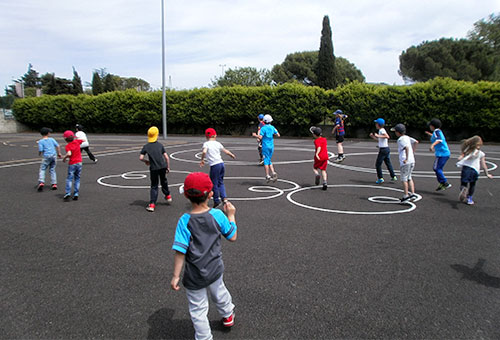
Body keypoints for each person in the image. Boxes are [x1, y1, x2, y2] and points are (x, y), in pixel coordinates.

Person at [171, 172, 237, 340]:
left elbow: (180, 251)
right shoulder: (217, 215)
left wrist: (176, 276)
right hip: (215, 268)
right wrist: (231, 216)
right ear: (211, 194)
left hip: (194, 275)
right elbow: (232, 236)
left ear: (186, 195)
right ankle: (228, 314)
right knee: (219, 292)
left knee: (198, 309)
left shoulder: (184, 221)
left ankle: (204, 337)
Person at [199, 128, 236, 208]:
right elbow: (225, 151)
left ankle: (216, 200)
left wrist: (202, 159)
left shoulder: (206, 144)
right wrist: (231, 154)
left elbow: (204, 151)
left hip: (214, 165)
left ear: (206, 136)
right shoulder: (217, 143)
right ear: (215, 135)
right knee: (220, 182)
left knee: (214, 183)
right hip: (221, 163)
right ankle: (224, 198)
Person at [139, 126, 172, 212]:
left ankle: (152, 204)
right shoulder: (160, 145)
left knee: (154, 185)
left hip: (153, 168)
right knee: (164, 180)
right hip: (162, 166)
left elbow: (141, 157)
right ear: (157, 135)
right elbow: (167, 157)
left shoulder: (146, 146)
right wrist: (168, 167)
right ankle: (168, 195)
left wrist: (146, 161)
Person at [456, 136, 493, 205]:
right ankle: (469, 198)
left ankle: (463, 189)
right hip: (475, 170)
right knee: (472, 184)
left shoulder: (467, 150)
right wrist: (487, 174)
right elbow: (484, 165)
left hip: (466, 169)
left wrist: (461, 156)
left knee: (464, 183)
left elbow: (462, 156)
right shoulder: (481, 153)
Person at [391, 124, 419, 203]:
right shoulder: (407, 137)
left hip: (405, 162)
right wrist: (413, 152)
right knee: (409, 177)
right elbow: (416, 142)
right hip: (412, 160)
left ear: (398, 132)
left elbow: (406, 147)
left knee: (404, 179)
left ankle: (406, 195)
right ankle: (412, 193)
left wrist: (406, 158)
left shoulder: (400, 140)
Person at [425, 118, 452, 191]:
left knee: (436, 168)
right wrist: (430, 134)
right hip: (444, 153)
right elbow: (437, 137)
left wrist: (432, 145)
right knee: (437, 168)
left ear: (432, 126)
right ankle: (442, 182)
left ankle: (444, 182)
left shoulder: (436, 132)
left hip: (442, 154)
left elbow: (439, 140)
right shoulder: (437, 132)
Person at [369, 118, 397, 184]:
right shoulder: (381, 130)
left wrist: (377, 135)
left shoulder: (382, 130)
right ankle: (393, 176)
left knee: (378, 164)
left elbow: (387, 136)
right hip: (385, 149)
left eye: (376, 123)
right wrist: (373, 137)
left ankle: (380, 178)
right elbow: (380, 140)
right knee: (388, 163)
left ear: (378, 124)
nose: (375, 125)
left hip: (383, 150)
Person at [37, 127, 62, 191]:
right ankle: (54, 183)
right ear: (48, 133)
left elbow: (41, 150)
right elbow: (58, 146)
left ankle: (41, 181)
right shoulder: (52, 139)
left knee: (42, 169)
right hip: (53, 156)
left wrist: (40, 153)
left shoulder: (41, 141)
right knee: (52, 169)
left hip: (46, 156)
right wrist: (59, 153)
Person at [258, 114, 280, 182]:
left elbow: (260, 138)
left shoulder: (263, 128)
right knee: (269, 159)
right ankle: (273, 172)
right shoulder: (272, 127)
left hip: (265, 146)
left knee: (266, 161)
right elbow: (278, 135)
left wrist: (256, 135)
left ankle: (267, 175)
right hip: (271, 146)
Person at [62, 130, 83, 200]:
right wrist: (76, 138)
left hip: (72, 163)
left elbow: (69, 154)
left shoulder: (68, 146)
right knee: (77, 178)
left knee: (69, 178)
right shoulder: (77, 142)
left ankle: (68, 193)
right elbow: (83, 140)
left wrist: (64, 158)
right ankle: (76, 193)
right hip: (79, 162)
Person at [310, 126, 329, 190]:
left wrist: (317, 154)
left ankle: (317, 174)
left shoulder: (316, 141)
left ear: (315, 135)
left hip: (319, 157)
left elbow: (319, 147)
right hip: (325, 156)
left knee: (315, 168)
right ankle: (325, 182)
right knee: (323, 170)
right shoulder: (324, 139)